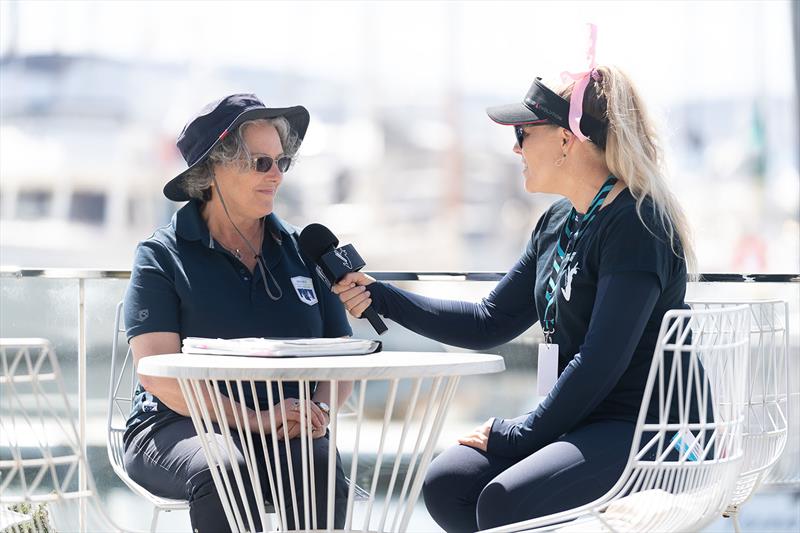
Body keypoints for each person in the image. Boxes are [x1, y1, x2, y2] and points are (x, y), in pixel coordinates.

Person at [333, 63, 698, 532]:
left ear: (568, 140)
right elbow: (489, 321)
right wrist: (380, 297)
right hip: (585, 422)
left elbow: (598, 364)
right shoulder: (559, 222)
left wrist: (517, 433)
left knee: (504, 502)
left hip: (651, 430)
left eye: (524, 133)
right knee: (449, 484)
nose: (514, 146)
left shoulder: (637, 224)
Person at [123, 94, 351, 532]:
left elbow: (340, 361)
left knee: (320, 465)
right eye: (260, 162)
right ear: (211, 169)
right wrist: (254, 421)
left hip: (285, 430)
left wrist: (316, 410)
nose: (276, 176)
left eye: (282, 163)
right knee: (224, 468)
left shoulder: (303, 252)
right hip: (176, 425)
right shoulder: (161, 255)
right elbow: (156, 375)